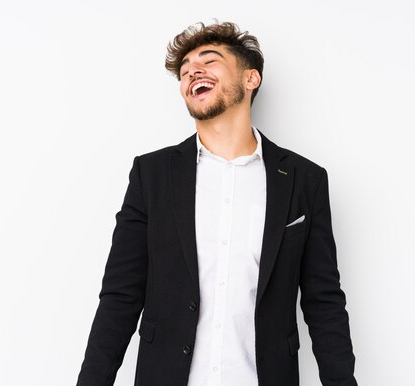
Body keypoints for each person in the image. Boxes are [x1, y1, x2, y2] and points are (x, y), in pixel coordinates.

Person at [76, 21, 358, 386]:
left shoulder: (305, 180)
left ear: (250, 79)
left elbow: (324, 303)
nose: (193, 70)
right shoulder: (152, 175)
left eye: (209, 61)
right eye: (186, 69)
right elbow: (120, 296)